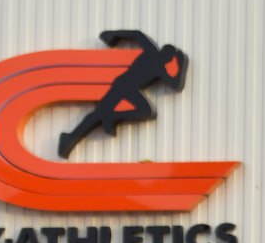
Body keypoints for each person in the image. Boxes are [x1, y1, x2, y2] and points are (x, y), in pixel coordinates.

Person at [59, 30, 189, 159]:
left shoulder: (160, 68)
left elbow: (176, 85)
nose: (167, 60)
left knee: (144, 112)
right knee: (101, 112)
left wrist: (182, 62)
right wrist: (113, 35)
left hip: (130, 87)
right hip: (123, 84)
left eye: (169, 59)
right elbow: (138, 34)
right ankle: (71, 137)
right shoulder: (152, 52)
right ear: (163, 52)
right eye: (168, 57)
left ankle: (109, 118)